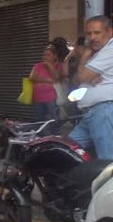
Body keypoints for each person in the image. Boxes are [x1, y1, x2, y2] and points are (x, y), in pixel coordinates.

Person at [69, 15, 113, 159]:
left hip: (103, 112)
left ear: (110, 31)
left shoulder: (110, 49)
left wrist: (85, 55)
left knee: (107, 161)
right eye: (89, 33)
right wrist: (87, 76)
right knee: (67, 150)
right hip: (91, 114)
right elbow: (76, 79)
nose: (92, 37)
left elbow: (81, 77)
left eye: (97, 32)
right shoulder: (98, 53)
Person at [28, 42, 66, 124]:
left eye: (48, 55)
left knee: (53, 119)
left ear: (54, 56)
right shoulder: (38, 65)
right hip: (38, 97)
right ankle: (41, 136)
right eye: (44, 55)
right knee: (39, 119)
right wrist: (48, 80)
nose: (45, 57)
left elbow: (56, 78)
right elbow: (32, 77)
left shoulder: (59, 65)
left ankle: (54, 135)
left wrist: (50, 66)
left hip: (51, 97)